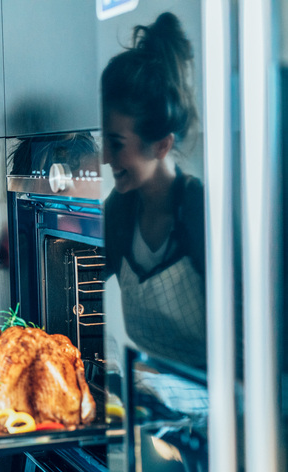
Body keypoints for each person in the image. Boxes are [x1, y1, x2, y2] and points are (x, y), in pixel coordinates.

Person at [101, 11, 206, 369]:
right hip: (153, 404)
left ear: (161, 145)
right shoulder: (119, 212)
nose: (105, 157)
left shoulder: (199, 211)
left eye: (116, 143)